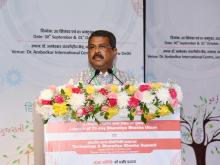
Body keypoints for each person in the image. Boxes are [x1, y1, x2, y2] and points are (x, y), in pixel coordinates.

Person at [69, 30, 136, 85]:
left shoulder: (128, 81)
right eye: (92, 47)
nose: (96, 51)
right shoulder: (76, 82)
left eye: (102, 46)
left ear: (114, 51)